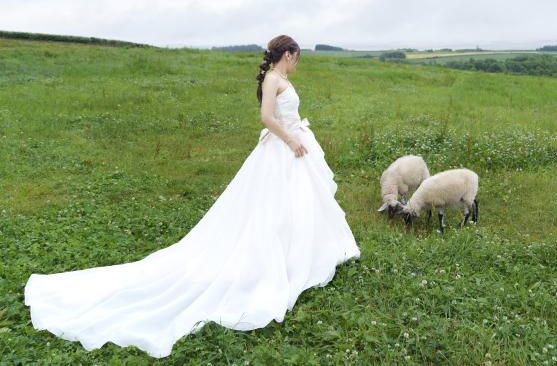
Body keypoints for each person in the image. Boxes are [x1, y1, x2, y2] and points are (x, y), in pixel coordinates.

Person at [24, 35, 360, 358]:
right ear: (288, 55)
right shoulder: (273, 79)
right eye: (297, 58)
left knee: (298, 205)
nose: (297, 64)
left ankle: (301, 252)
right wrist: (291, 140)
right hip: (283, 148)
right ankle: (275, 258)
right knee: (272, 209)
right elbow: (266, 117)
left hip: (293, 148)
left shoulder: (280, 78)